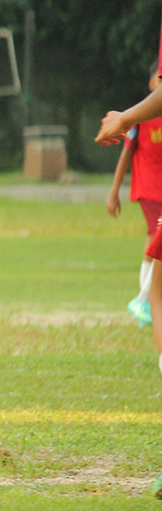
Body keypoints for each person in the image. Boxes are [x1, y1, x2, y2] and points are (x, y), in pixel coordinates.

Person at [97, 61, 162, 377]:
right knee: (154, 239)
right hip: (149, 188)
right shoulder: (141, 119)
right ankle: (142, 300)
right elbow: (126, 153)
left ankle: (145, 301)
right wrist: (114, 191)